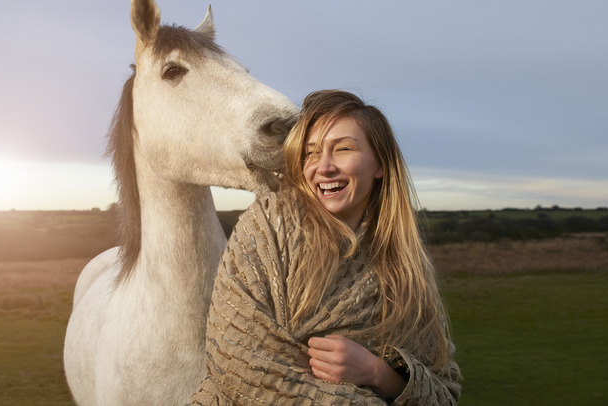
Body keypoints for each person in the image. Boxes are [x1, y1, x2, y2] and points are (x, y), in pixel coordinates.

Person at [192, 90, 461, 405]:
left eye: (343, 149)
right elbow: (235, 359)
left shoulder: (406, 273)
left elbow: (443, 395)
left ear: (380, 164)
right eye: (311, 153)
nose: (324, 166)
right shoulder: (265, 232)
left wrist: (377, 373)